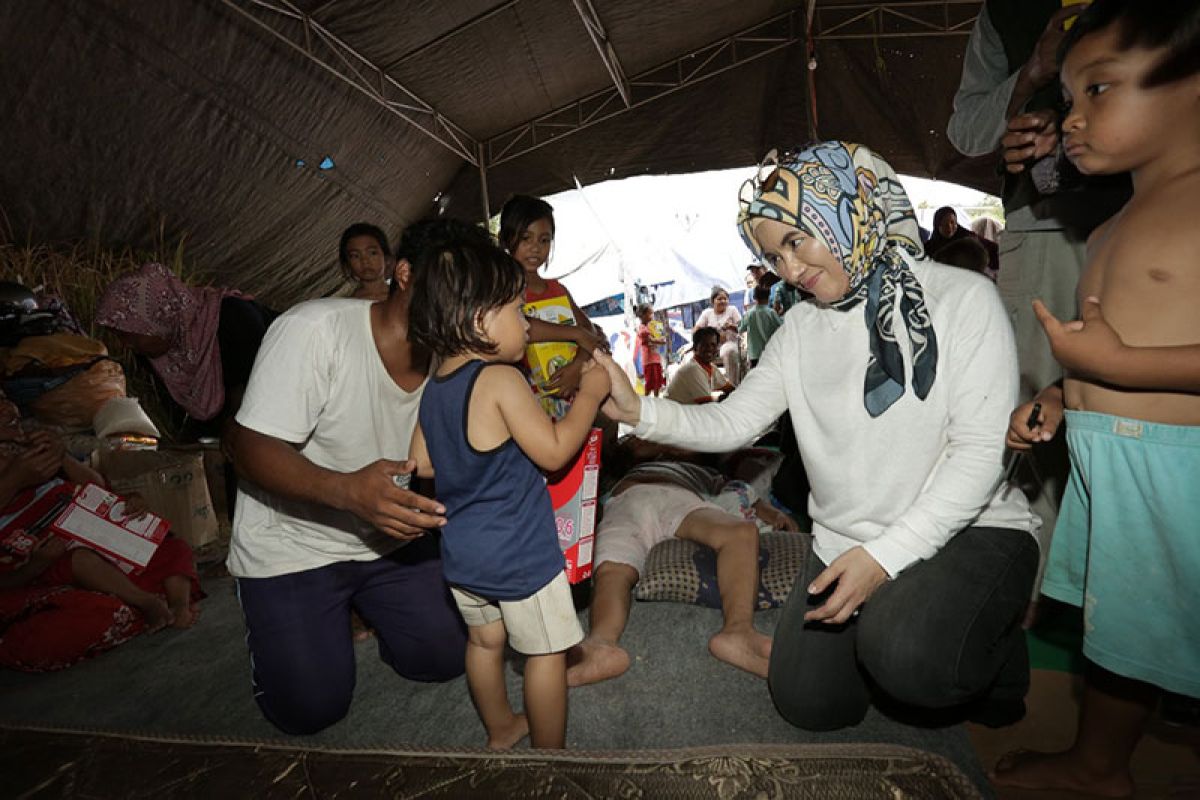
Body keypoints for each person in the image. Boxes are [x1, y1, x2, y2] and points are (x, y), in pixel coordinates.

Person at [596, 141, 1039, 732]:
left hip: (969, 527)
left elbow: (981, 455)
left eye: (795, 241)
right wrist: (639, 410)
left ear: (851, 211)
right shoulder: (800, 327)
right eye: (774, 257)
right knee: (809, 702)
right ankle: (894, 624)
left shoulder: (963, 299)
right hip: (845, 539)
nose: (790, 269)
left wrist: (883, 560)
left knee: (909, 659)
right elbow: (733, 421)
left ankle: (994, 648)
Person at [994, 2, 1200, 795]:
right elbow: (1108, 347)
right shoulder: (1114, 222)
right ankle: (1098, 764)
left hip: (1182, 478)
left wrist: (1117, 366)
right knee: (1120, 633)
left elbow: (1126, 356)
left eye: (1100, 91)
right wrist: (1062, 391)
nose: (1072, 119)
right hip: (1116, 469)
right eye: (1071, 98)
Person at [226, 220, 472, 736]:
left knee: (448, 658)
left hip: (388, 541)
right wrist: (346, 491)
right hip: (293, 545)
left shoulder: (459, 356)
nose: (467, 308)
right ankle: (298, 623)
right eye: (455, 285)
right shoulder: (315, 330)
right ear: (404, 274)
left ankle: (370, 612)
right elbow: (246, 449)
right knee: (310, 710)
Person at [947, 0, 1131, 592]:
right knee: (1034, 418)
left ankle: (1122, 583)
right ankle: (1043, 591)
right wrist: (1033, 72)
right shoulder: (1005, 12)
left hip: (1155, 215)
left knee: (1134, 413)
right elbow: (967, 128)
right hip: (1048, 223)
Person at [406, 229, 610, 750]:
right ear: (479, 321)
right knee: (544, 653)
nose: (526, 324)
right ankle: (549, 756)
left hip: (462, 553)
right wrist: (589, 393)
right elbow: (555, 450)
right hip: (520, 555)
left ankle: (500, 728)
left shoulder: (436, 387)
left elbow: (422, 462)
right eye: (518, 312)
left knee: (483, 640)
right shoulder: (500, 380)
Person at [567, 458, 797, 687]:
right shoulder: (631, 465)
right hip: (624, 500)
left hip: (676, 496)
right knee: (612, 570)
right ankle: (602, 643)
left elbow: (742, 492)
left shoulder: (705, 471)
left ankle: (738, 631)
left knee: (740, 533)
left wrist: (773, 514)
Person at [0, 391, 200, 632]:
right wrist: (37, 564)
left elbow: (97, 487)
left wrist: (61, 455)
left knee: (171, 545)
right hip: (50, 556)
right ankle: (147, 602)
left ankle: (178, 605)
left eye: (3, 398)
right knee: (81, 567)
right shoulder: (19, 466)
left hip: (90, 532)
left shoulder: (30, 448)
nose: (6, 408)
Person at [498, 195, 607, 409]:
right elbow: (524, 327)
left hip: (568, 393)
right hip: (524, 402)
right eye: (525, 238)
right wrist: (575, 334)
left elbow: (589, 331)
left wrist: (576, 366)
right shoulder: (501, 289)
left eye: (544, 240)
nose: (535, 248)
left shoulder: (557, 289)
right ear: (505, 239)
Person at [666, 327, 734, 405]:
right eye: (704, 345)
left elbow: (730, 389)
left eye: (713, 345)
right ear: (695, 347)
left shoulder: (710, 368)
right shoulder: (693, 369)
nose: (709, 348)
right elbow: (707, 405)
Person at [923, 207, 999, 275]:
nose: (949, 227)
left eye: (952, 223)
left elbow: (993, 250)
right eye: (945, 224)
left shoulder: (969, 239)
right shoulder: (929, 247)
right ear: (937, 225)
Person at [694, 287, 743, 386]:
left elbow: (742, 327)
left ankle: (733, 386)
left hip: (728, 343)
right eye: (720, 299)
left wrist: (731, 326)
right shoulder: (707, 313)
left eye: (725, 299)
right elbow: (696, 329)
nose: (723, 301)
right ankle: (702, 386)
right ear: (713, 301)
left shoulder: (732, 310)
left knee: (729, 351)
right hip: (711, 345)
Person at [339, 222, 394, 301]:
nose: (364, 261)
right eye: (355, 256)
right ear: (348, 264)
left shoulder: (403, 297)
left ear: (386, 258)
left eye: (372, 253)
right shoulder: (348, 304)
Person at [738, 285, 783, 369]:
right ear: (769, 296)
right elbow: (781, 326)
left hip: (754, 353)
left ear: (754, 297)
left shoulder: (749, 313)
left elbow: (741, 329)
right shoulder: (771, 313)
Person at [635, 304, 667, 397]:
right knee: (650, 382)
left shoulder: (651, 326)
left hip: (655, 358)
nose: (652, 316)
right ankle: (646, 399)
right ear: (643, 315)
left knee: (657, 381)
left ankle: (656, 399)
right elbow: (651, 340)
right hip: (649, 360)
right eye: (650, 314)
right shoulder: (642, 329)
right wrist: (661, 340)